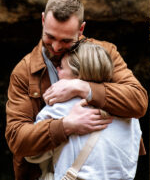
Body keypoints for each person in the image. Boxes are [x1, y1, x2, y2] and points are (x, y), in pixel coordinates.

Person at [5, 0, 148, 180]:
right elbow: (16, 139)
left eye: (65, 40)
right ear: (42, 20)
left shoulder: (104, 53)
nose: (56, 47)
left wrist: (82, 88)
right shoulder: (23, 71)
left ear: (81, 29)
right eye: (50, 37)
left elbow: (138, 102)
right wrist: (66, 126)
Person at [26, 41, 142, 180]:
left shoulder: (58, 109)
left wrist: (64, 126)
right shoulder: (131, 116)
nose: (56, 69)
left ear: (77, 76)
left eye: (61, 67)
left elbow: (31, 154)